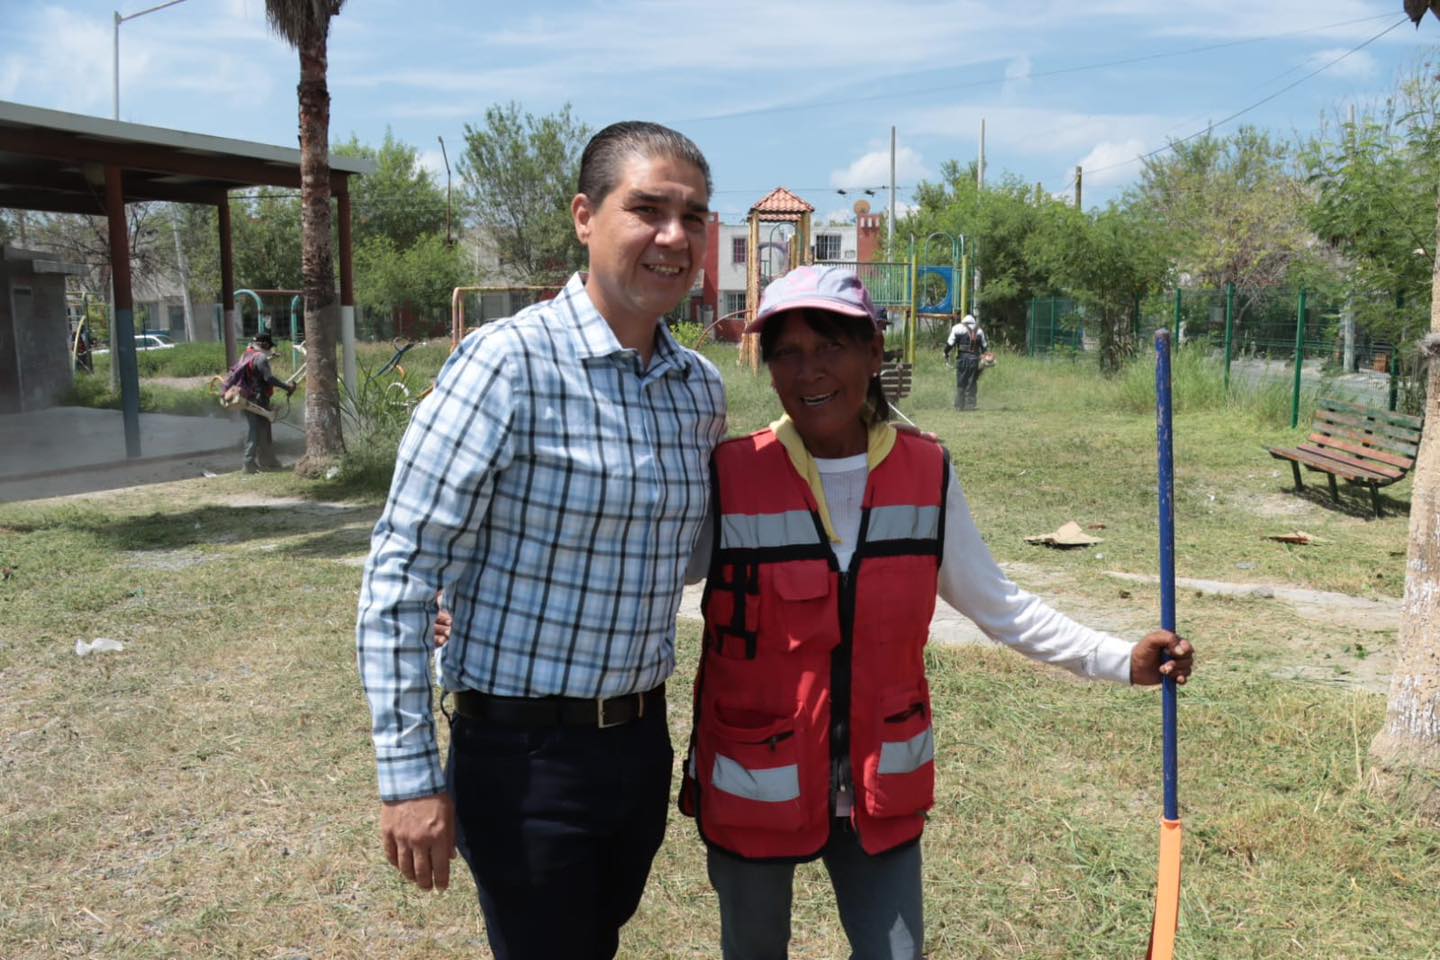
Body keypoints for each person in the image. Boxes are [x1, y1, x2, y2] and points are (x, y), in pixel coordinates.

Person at [678, 265, 1193, 960]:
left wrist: (1117, 659)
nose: (810, 371)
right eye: (788, 352)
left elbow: (999, 604)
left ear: (874, 353)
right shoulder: (732, 475)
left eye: (831, 345)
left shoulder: (926, 473)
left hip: (879, 790)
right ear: (766, 370)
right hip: (754, 784)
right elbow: (639, 579)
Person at [356, 121, 725, 960]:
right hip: (524, 756)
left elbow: (685, 554)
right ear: (585, 216)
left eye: (695, 217)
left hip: (638, 744)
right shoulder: (507, 364)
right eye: (649, 210)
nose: (675, 237)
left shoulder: (696, 388)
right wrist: (409, 776)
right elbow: (402, 570)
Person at [222, 332, 293, 473]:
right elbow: (268, 379)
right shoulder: (260, 357)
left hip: (245, 397)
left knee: (264, 429)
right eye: (269, 347)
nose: (270, 349)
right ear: (265, 345)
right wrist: (287, 386)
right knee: (256, 430)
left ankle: (268, 460)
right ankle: (248, 462)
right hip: (258, 399)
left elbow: (253, 370)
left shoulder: (247, 354)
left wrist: (270, 358)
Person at [944, 313, 988, 410]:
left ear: (963, 319)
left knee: (961, 382)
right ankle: (970, 405)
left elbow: (950, 344)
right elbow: (984, 347)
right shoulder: (979, 330)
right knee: (972, 382)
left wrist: (945, 353)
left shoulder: (957, 328)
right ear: (973, 320)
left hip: (962, 359)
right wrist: (985, 359)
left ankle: (959, 405)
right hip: (975, 360)